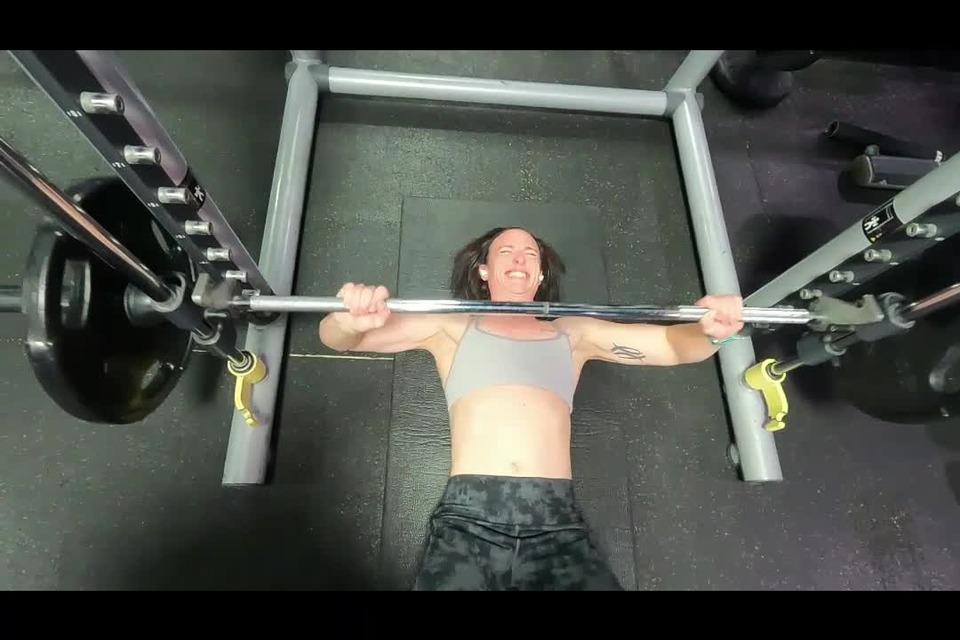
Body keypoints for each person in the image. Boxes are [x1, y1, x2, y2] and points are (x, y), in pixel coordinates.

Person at [318, 226, 744, 590]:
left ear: (540, 274)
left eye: (530, 253)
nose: (519, 258)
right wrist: (346, 320)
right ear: (484, 270)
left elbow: (673, 346)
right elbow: (340, 339)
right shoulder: (450, 327)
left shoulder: (573, 333)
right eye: (506, 251)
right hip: (470, 520)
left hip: (556, 523)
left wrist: (712, 331)